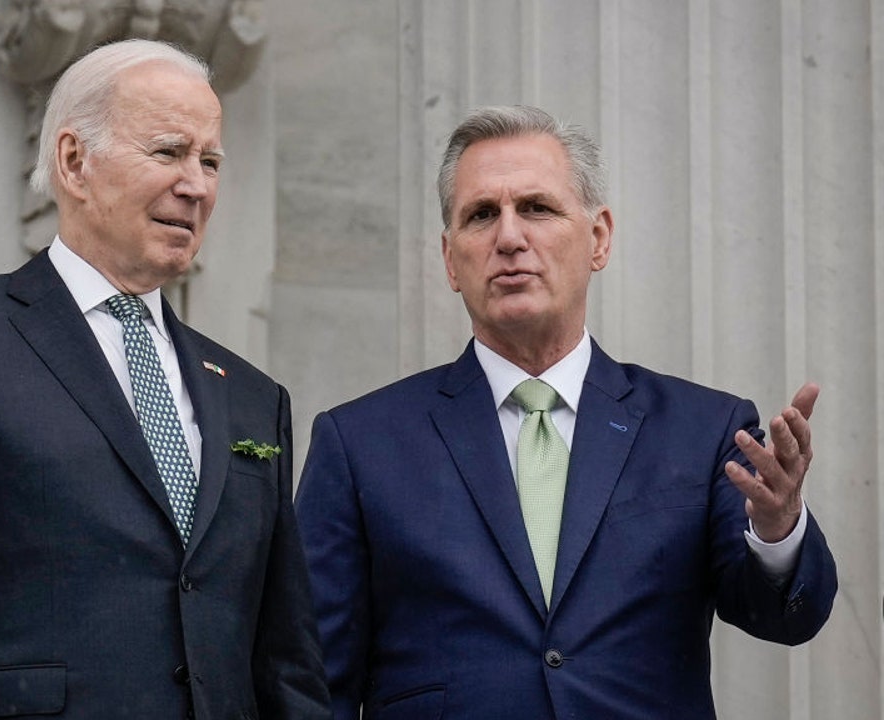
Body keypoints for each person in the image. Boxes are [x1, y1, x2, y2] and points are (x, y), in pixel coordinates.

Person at [0, 39, 330, 719]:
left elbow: (285, 662)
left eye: (210, 161)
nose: (197, 185)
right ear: (74, 162)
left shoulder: (251, 397)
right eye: (168, 152)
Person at [295, 105, 837, 719]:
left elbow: (784, 618)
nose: (508, 238)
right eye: (481, 215)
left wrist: (778, 530)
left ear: (598, 238)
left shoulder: (704, 431)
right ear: (450, 259)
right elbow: (315, 683)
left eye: (536, 208)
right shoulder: (360, 444)